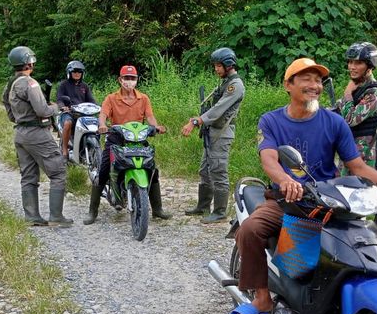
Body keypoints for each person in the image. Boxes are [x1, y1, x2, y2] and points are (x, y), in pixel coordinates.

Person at [230, 58, 377, 314]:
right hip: (286, 201)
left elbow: (357, 165)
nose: (314, 85)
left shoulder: (334, 122)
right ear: (288, 85)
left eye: (318, 80)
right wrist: (285, 180)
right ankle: (261, 297)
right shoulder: (271, 121)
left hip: (328, 202)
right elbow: (269, 159)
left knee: (360, 241)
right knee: (250, 229)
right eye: (306, 79)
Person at [83, 65, 171, 224]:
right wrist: (102, 124)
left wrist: (155, 127)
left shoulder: (143, 98)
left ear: (137, 80)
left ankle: (157, 209)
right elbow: (103, 114)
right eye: (126, 78)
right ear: (120, 80)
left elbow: (150, 117)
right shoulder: (111, 98)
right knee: (103, 171)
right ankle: (92, 212)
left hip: (138, 140)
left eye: (133, 78)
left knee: (152, 170)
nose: (129, 82)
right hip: (116, 139)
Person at [2, 46, 73, 227]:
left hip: (20, 133)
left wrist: (20, 117)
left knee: (28, 176)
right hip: (37, 134)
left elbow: (8, 108)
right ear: (29, 62)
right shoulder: (29, 83)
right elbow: (42, 110)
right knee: (58, 172)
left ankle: (32, 216)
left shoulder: (11, 84)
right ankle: (56, 216)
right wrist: (55, 108)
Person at [181, 47, 245, 223]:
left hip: (222, 134)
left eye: (218, 66)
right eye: (215, 66)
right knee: (205, 170)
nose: (216, 69)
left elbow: (218, 110)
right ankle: (203, 206)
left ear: (228, 65)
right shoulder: (225, 82)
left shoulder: (235, 85)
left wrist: (197, 121)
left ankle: (219, 211)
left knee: (218, 171)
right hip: (213, 132)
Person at [333, 42, 377, 173]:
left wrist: (347, 94)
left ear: (369, 66)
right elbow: (338, 110)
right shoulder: (357, 89)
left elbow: (350, 120)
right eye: (350, 62)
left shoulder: (374, 93)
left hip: (365, 155)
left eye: (358, 63)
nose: (352, 67)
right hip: (349, 150)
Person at [56, 60, 96, 158]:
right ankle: (65, 150)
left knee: (95, 123)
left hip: (82, 113)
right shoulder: (63, 85)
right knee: (68, 123)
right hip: (68, 112)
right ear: (69, 72)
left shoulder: (85, 86)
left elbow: (91, 100)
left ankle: (92, 147)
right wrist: (63, 107)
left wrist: (97, 107)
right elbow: (59, 99)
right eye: (74, 72)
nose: (77, 74)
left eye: (79, 72)